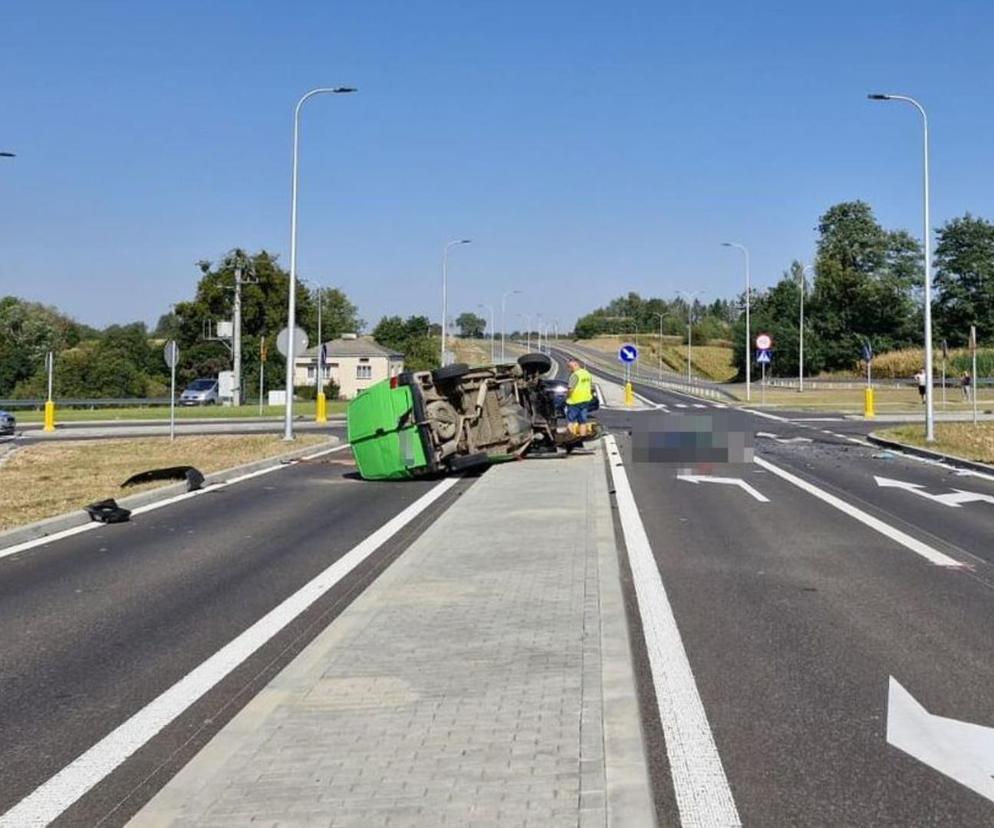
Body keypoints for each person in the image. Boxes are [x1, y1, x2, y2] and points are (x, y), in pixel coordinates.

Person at [565, 358, 594, 437]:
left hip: (574, 401)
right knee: (583, 421)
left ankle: (570, 437)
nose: (569, 369)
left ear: (575, 365)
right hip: (585, 400)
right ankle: (582, 437)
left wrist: (566, 396)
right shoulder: (587, 373)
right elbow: (591, 387)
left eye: (570, 367)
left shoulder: (575, 375)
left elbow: (570, 389)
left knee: (570, 421)